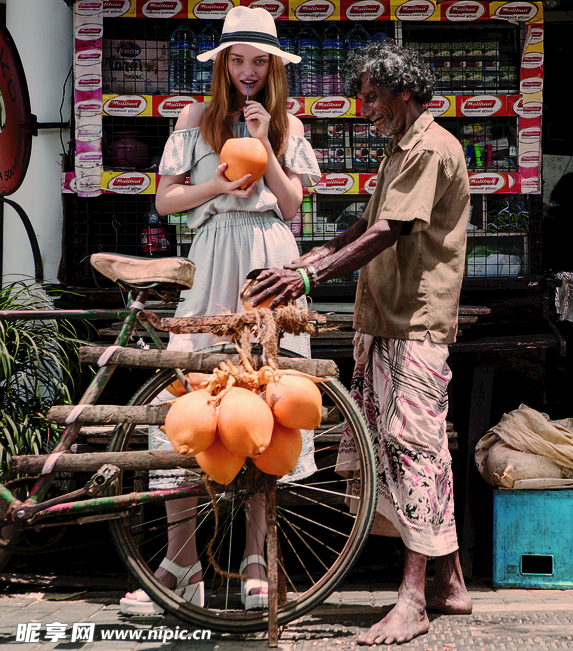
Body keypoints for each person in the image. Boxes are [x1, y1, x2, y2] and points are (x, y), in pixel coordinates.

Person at [248, 42, 473, 646]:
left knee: (411, 451)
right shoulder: (402, 150)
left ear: (405, 92)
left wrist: (307, 277)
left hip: (413, 323)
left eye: (372, 96)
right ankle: (450, 585)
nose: (364, 107)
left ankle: (412, 601)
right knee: (408, 447)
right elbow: (362, 223)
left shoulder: (428, 147)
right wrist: (311, 258)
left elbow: (388, 230)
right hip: (385, 319)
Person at [118, 6, 321, 615]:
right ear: (223, 64)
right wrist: (219, 188)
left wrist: (265, 143)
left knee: (268, 407)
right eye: (239, 60)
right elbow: (166, 199)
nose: (249, 72)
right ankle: (182, 562)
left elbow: (292, 208)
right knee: (186, 399)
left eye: (260, 61)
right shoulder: (195, 116)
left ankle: (258, 563)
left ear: (275, 67)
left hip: (269, 262)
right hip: (210, 255)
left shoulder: (287, 123)